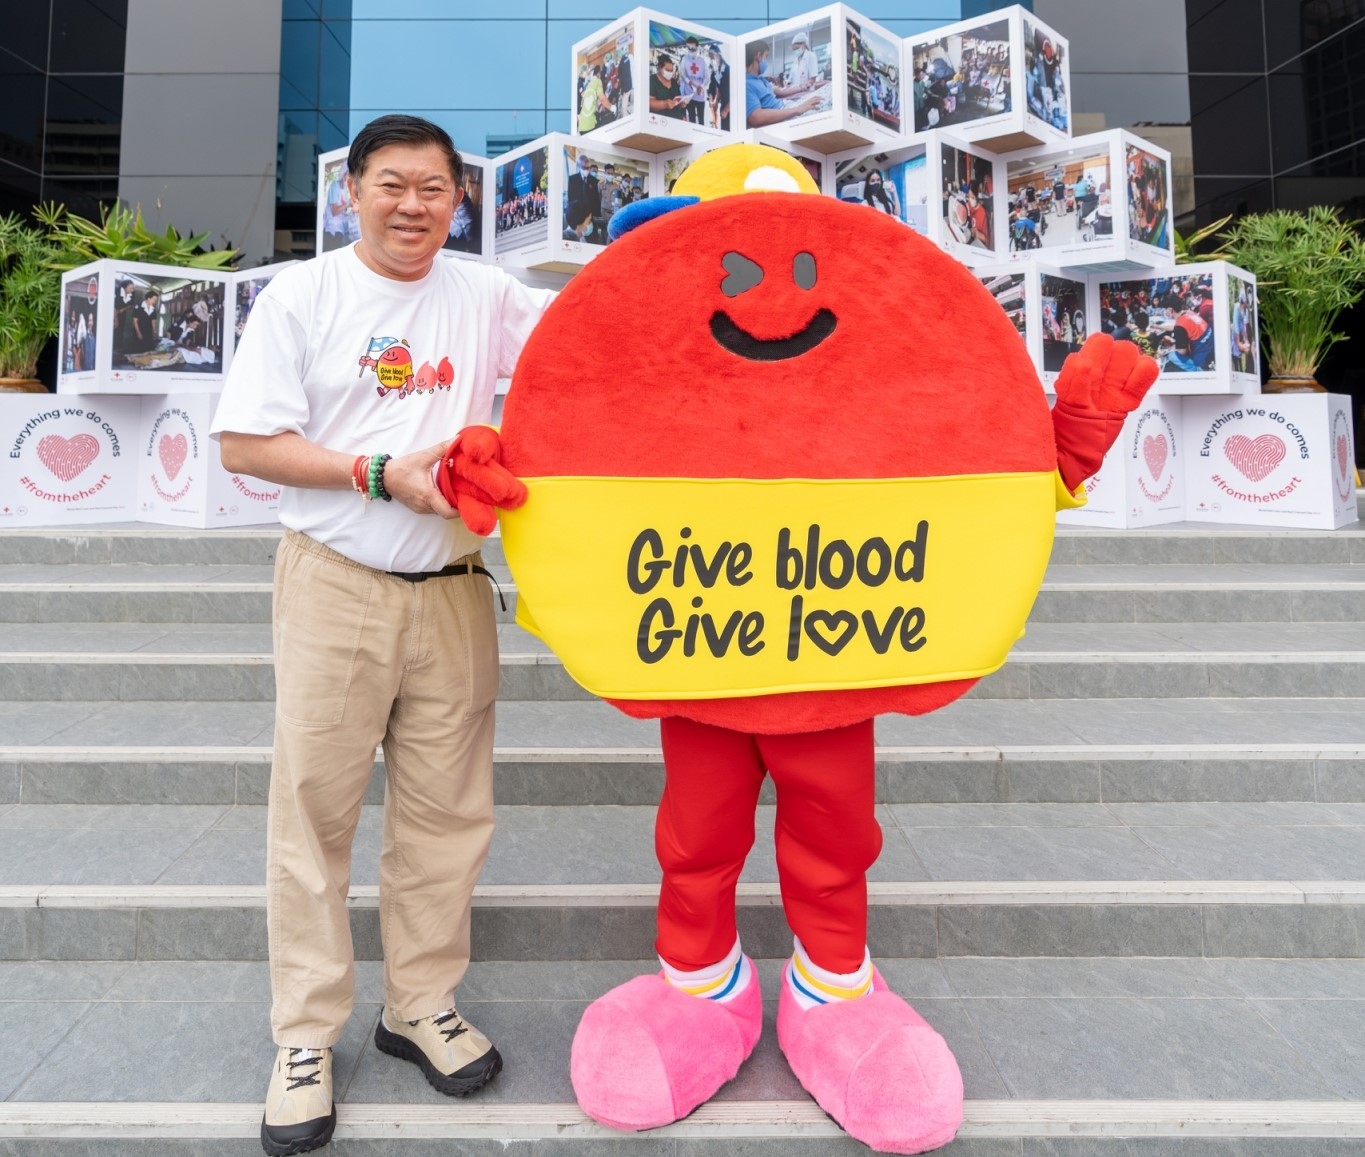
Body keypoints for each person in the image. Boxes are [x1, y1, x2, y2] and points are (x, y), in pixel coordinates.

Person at [211, 114, 554, 1157]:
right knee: (312, 815)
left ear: (460, 199)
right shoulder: (303, 294)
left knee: (448, 816)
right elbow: (244, 442)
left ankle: (420, 1004)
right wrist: (376, 472)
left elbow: (593, 349)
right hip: (335, 582)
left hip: (453, 588)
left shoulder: (488, 295)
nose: (413, 205)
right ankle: (305, 1035)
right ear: (350, 191)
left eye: (434, 188)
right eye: (392, 184)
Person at [745, 40, 821, 128]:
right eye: (766, 56)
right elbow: (756, 117)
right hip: (783, 112)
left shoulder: (760, 79)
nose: (766, 61)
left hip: (786, 106)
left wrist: (801, 87)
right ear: (758, 56)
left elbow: (780, 91)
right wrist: (798, 109)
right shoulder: (747, 85)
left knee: (821, 97)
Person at [678, 36, 710, 126]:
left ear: (697, 47)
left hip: (700, 95)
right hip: (689, 95)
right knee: (691, 120)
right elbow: (682, 73)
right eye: (689, 48)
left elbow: (707, 77)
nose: (691, 50)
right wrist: (688, 81)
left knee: (701, 121)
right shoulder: (684, 59)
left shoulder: (702, 61)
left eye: (693, 48)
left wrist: (701, 86)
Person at [649, 53, 687, 119]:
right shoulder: (652, 80)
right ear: (660, 68)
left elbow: (678, 99)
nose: (670, 73)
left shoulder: (674, 82)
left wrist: (682, 104)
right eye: (667, 70)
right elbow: (649, 103)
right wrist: (665, 104)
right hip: (660, 120)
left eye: (671, 71)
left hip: (676, 119)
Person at [578, 64, 613, 133]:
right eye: (586, 71)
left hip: (582, 123)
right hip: (588, 122)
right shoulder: (595, 81)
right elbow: (602, 99)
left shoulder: (587, 84)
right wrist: (611, 107)